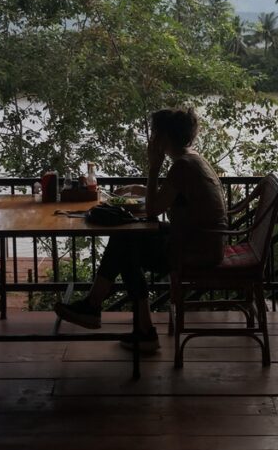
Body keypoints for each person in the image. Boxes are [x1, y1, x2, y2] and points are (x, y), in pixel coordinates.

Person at [54, 107, 228, 352]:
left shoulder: (181, 167)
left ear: (164, 137)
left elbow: (154, 210)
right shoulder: (191, 159)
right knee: (127, 240)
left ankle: (101, 309)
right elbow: (167, 199)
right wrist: (140, 188)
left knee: (125, 244)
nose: (152, 139)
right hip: (203, 241)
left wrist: (153, 167)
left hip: (195, 249)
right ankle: (131, 325)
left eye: (155, 133)